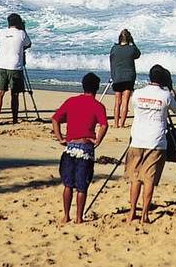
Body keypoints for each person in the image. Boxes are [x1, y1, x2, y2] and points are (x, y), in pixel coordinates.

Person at [125, 64, 176, 225]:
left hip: (137, 139)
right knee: (149, 179)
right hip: (155, 141)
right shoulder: (166, 95)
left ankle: (132, 212)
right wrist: (171, 88)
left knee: (135, 178)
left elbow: (133, 108)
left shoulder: (137, 94)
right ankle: (144, 215)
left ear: (150, 77)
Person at [51, 72, 108, 224]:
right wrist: (98, 141)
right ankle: (78, 217)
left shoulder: (71, 101)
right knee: (82, 186)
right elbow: (104, 125)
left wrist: (60, 138)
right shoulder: (98, 105)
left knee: (68, 184)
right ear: (96, 88)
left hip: (70, 147)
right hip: (85, 148)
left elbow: (55, 118)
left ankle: (66, 215)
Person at [0, 13, 31, 124]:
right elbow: (28, 44)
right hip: (15, 66)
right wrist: (23, 29)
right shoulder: (21, 33)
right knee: (15, 94)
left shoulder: (1, 32)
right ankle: (14, 119)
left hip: (0, 64)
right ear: (18, 23)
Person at [108, 28, 141, 128]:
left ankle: (115, 123)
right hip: (129, 77)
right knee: (125, 101)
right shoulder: (131, 49)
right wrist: (133, 43)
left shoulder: (114, 48)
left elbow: (111, 61)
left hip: (117, 76)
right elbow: (138, 54)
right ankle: (122, 123)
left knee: (117, 102)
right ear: (129, 38)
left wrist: (113, 75)